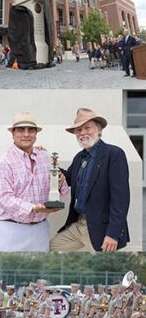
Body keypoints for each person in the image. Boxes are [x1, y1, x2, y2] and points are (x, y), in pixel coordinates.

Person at [50, 107, 130, 253]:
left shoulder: (114, 154)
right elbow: (68, 178)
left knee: (105, 269)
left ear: (99, 130)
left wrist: (113, 234)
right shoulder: (79, 157)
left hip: (101, 228)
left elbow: (121, 199)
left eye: (87, 128)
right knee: (51, 248)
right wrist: (44, 158)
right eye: (78, 130)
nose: (82, 133)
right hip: (77, 225)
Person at [0, 111, 68, 251]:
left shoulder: (45, 157)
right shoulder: (3, 163)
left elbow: (61, 190)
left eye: (31, 130)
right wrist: (33, 208)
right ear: (12, 133)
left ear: (36, 134)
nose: (26, 134)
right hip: (10, 230)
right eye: (21, 130)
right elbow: (5, 199)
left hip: (40, 229)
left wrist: (60, 180)